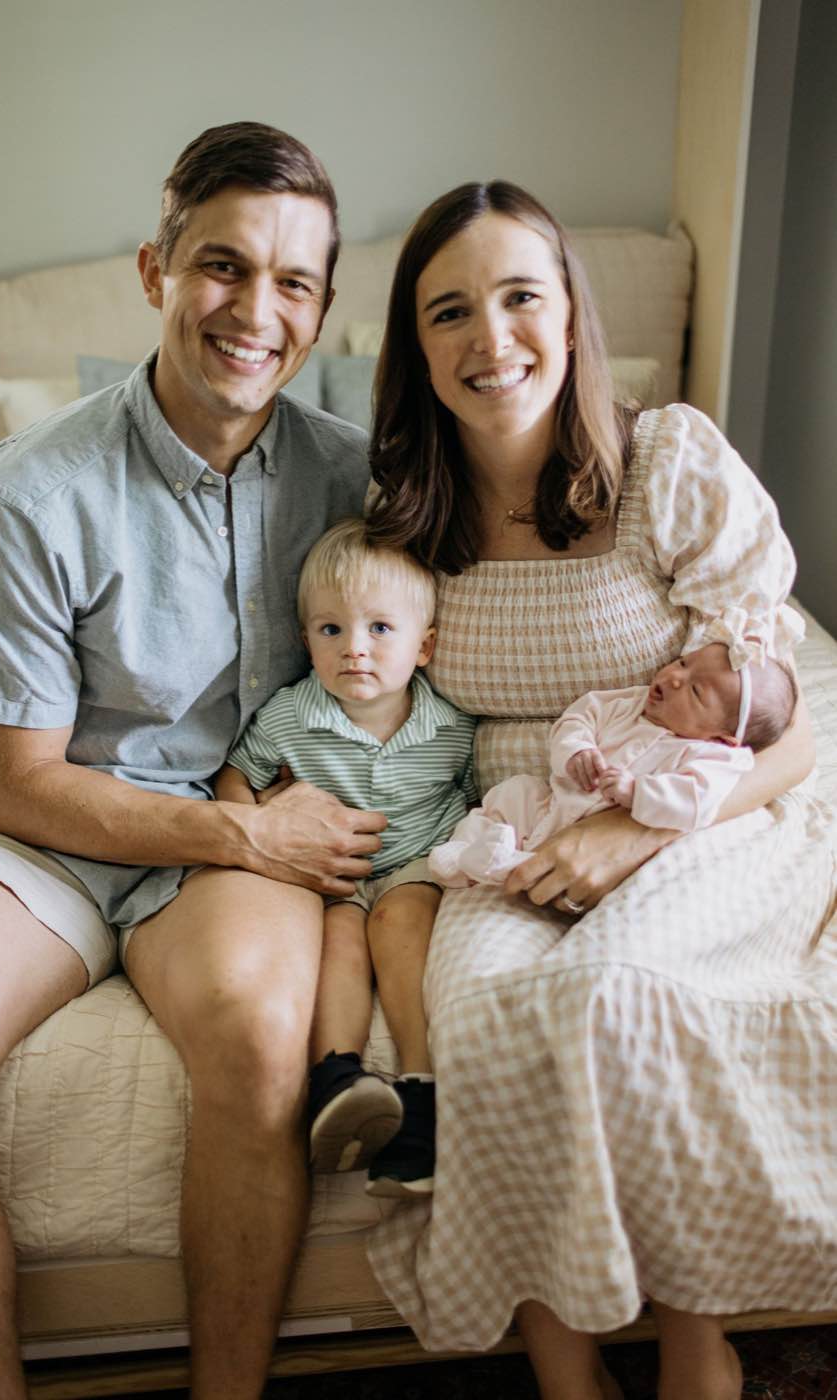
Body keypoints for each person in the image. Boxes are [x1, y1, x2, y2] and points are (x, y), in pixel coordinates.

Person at [0, 123, 383, 1400]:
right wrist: (246, 836)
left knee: (259, 1032)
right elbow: (17, 785)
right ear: (154, 271)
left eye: (292, 282)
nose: (254, 310)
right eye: (222, 266)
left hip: (224, 835)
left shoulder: (356, 483)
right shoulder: (25, 492)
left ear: (324, 308)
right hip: (57, 835)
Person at [362, 180, 837, 1400]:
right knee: (478, 1018)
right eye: (450, 312)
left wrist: (632, 833)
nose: (491, 338)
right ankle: (564, 1366)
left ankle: (695, 1340)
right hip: (513, 828)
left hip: (690, 805)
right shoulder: (407, 517)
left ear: (571, 314)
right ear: (417, 349)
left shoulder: (664, 459)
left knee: (610, 992)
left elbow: (788, 737)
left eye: (522, 296)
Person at [218, 517, 477, 1197]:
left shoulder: (450, 725)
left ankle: (421, 1090)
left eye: (379, 629)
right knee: (335, 937)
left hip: (413, 862)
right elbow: (237, 778)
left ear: (424, 647)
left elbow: (476, 798)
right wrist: (257, 829)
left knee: (400, 924)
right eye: (330, 630)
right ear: (305, 640)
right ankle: (340, 1076)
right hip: (328, 877)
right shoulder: (288, 716)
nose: (354, 649)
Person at [430, 643, 796, 888]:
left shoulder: (713, 758)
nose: (673, 677)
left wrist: (637, 793)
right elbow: (579, 717)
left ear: (723, 737)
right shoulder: (629, 703)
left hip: (608, 842)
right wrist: (576, 750)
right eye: (684, 663)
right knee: (513, 792)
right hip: (552, 805)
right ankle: (462, 854)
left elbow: (695, 801)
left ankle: (505, 865)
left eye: (696, 691)